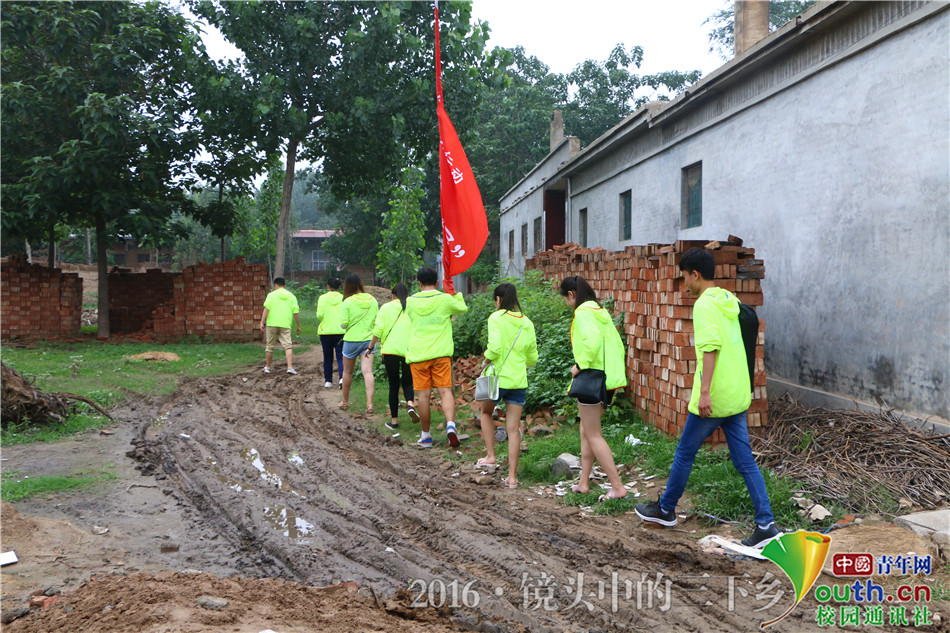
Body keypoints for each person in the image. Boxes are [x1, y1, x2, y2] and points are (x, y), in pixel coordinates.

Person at [635, 248, 782, 548]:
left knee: (685, 452)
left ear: (695, 274)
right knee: (745, 462)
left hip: (714, 398)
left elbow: (711, 348)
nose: (684, 283)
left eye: (685, 277)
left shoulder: (704, 306)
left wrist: (703, 393)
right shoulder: (729, 299)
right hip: (737, 394)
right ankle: (766, 523)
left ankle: (666, 509)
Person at [558, 275, 627, 501]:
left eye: (565, 299)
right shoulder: (600, 311)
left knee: (594, 434)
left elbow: (592, 342)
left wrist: (580, 365)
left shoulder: (583, 313)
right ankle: (584, 483)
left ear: (571, 294)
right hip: (607, 380)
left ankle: (617, 487)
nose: (567, 305)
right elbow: (615, 345)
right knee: (586, 431)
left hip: (592, 378)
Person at [476, 283, 538, 488]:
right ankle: (512, 478)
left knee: (485, 413)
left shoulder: (496, 318)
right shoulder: (527, 322)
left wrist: (485, 361)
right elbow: (532, 358)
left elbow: (494, 348)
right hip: (518, 381)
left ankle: (491, 456)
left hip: (497, 379)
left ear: (498, 300)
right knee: (513, 429)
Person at [405, 266, 467, 448]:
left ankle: (426, 436)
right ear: (437, 282)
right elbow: (462, 308)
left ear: (419, 283)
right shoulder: (445, 299)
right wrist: (454, 294)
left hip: (418, 355)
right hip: (441, 353)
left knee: (423, 396)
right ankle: (450, 425)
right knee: (445, 391)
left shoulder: (410, 301)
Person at [365, 283, 420, 430]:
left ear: (393, 295)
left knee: (393, 385)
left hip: (390, 351)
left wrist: (370, 347)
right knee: (408, 382)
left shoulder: (386, 308)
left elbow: (378, 330)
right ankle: (410, 403)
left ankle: (394, 422)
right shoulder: (413, 307)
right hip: (409, 350)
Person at [339, 274, 379, 412]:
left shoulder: (347, 302)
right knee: (368, 372)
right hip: (368, 341)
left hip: (351, 340)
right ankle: (369, 404)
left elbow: (343, 325)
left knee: (347, 372)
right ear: (360, 284)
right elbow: (376, 321)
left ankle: (345, 401)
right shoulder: (372, 300)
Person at [260, 277, 301, 375]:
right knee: (288, 346)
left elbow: (266, 309)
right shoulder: (291, 296)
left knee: (270, 346)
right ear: (285, 285)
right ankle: (290, 367)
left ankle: (268, 367)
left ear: (275, 285)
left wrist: (262, 321)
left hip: (272, 324)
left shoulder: (271, 295)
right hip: (285, 324)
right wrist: (298, 325)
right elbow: (296, 312)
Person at [316, 277, 345, 388]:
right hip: (340, 332)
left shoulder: (322, 298)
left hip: (326, 332)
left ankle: (328, 381)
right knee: (341, 356)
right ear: (339, 287)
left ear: (328, 286)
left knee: (327, 357)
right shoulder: (343, 298)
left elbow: (319, 316)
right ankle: (342, 378)